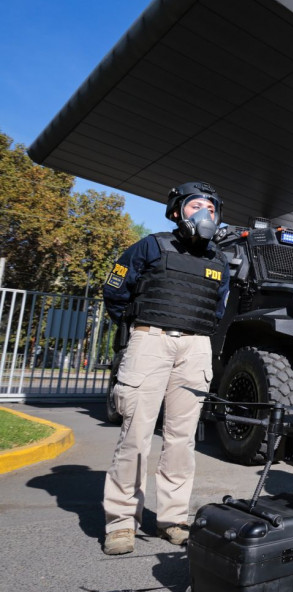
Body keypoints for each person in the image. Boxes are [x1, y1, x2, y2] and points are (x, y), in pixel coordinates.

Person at [101, 181, 230, 556]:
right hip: (150, 340)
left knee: (181, 439)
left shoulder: (219, 260)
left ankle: (173, 519)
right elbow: (115, 288)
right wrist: (138, 326)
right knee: (136, 435)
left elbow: (218, 307)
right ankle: (122, 522)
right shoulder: (152, 245)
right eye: (195, 206)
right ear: (177, 211)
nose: (203, 212)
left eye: (210, 206)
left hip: (195, 347)